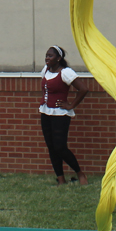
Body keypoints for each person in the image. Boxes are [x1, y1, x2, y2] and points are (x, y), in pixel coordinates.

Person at [39, 45, 89, 186]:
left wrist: (71, 105)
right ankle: (61, 179)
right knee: (51, 146)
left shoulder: (66, 72)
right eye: (46, 55)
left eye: (51, 56)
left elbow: (83, 89)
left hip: (60, 114)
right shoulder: (46, 70)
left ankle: (80, 173)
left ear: (59, 58)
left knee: (60, 147)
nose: (47, 58)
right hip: (45, 112)